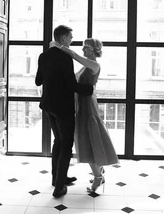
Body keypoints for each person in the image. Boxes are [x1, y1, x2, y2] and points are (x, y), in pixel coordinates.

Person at [50, 37, 118, 193]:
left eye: (86, 47)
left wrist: (59, 46)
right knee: (87, 139)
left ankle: (98, 177)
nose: (83, 50)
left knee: (89, 140)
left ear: (93, 50)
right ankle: (98, 172)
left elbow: (75, 56)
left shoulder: (94, 65)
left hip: (88, 106)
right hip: (81, 104)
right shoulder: (86, 66)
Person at [35, 25, 94, 198]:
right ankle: (59, 186)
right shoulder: (65, 58)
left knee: (58, 142)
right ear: (62, 38)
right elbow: (72, 85)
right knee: (66, 145)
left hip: (48, 106)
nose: (71, 40)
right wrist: (90, 89)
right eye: (70, 37)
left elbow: (38, 81)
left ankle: (57, 178)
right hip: (63, 108)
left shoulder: (43, 56)